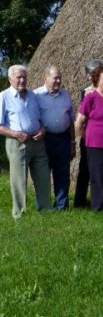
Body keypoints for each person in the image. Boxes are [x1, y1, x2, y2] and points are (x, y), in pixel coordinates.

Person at [0, 65, 51, 219]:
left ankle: (45, 208)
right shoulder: (3, 96)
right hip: (17, 142)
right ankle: (19, 212)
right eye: (18, 77)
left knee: (43, 175)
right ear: (10, 79)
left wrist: (42, 130)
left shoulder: (33, 96)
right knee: (19, 178)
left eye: (24, 77)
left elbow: (40, 119)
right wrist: (15, 133)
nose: (22, 80)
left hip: (37, 141)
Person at [75, 66, 103, 211]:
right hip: (95, 144)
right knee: (98, 176)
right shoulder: (90, 98)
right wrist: (87, 136)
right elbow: (79, 123)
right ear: (97, 80)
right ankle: (98, 206)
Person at [34, 66, 75, 210]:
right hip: (44, 140)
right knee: (42, 173)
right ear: (45, 78)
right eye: (55, 78)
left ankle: (62, 205)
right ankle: (43, 206)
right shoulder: (36, 95)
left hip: (63, 138)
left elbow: (71, 120)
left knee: (63, 173)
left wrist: (72, 142)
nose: (58, 81)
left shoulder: (66, 95)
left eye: (59, 78)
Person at [74, 59, 103, 208]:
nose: (95, 75)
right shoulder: (85, 92)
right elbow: (82, 115)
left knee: (99, 170)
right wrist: (84, 135)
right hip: (88, 135)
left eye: (98, 72)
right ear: (87, 75)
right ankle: (79, 202)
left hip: (102, 138)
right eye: (92, 73)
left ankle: (98, 200)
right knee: (84, 169)